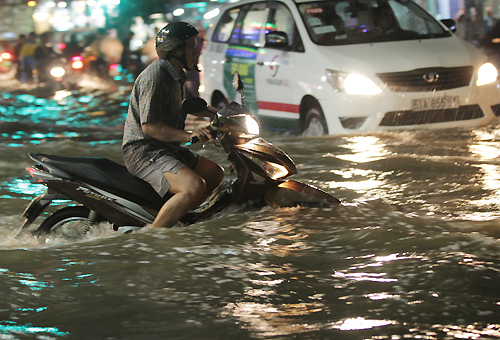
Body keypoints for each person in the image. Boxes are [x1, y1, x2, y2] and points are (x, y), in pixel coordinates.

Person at [122, 22, 224, 229]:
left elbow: (186, 105)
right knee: (194, 186)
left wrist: (222, 114)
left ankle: (182, 219)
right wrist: (189, 135)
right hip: (145, 151)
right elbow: (150, 127)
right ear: (174, 50)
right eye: (190, 47)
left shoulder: (175, 74)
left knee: (215, 173)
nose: (196, 52)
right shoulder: (156, 76)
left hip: (167, 148)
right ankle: (154, 237)